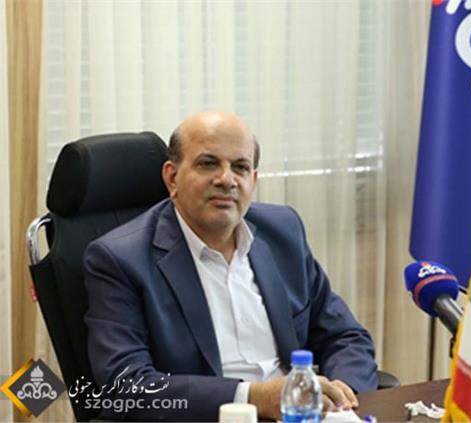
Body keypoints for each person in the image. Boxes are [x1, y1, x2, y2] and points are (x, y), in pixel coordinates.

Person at [84, 111, 378, 421]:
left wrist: (343, 394)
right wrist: (253, 398)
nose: (226, 179)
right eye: (208, 163)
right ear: (172, 178)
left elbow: (345, 336)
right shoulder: (120, 260)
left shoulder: (284, 233)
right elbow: (127, 387)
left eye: (240, 167)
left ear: (253, 180)